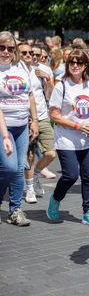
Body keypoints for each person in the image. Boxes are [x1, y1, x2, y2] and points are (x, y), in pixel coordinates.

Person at [46, 49, 89, 226]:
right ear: (67, 65)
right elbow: (54, 116)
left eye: (79, 63)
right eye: (72, 62)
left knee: (88, 176)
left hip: (88, 139)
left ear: (86, 65)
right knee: (70, 175)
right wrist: (78, 126)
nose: (75, 66)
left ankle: (88, 212)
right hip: (67, 139)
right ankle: (55, 199)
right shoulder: (61, 86)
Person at [0, 32, 38, 226]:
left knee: (19, 168)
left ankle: (15, 210)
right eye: (2, 48)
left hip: (22, 125)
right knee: (9, 166)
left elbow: (30, 95)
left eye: (10, 48)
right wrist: (5, 134)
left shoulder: (21, 66)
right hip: (2, 127)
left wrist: (35, 120)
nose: (6, 52)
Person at [17, 42, 56, 203]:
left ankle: (37, 175)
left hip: (43, 116)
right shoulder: (16, 71)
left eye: (32, 53)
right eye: (25, 53)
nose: (30, 56)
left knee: (51, 153)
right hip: (25, 119)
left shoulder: (42, 70)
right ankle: (30, 187)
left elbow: (51, 94)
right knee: (30, 155)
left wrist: (47, 79)